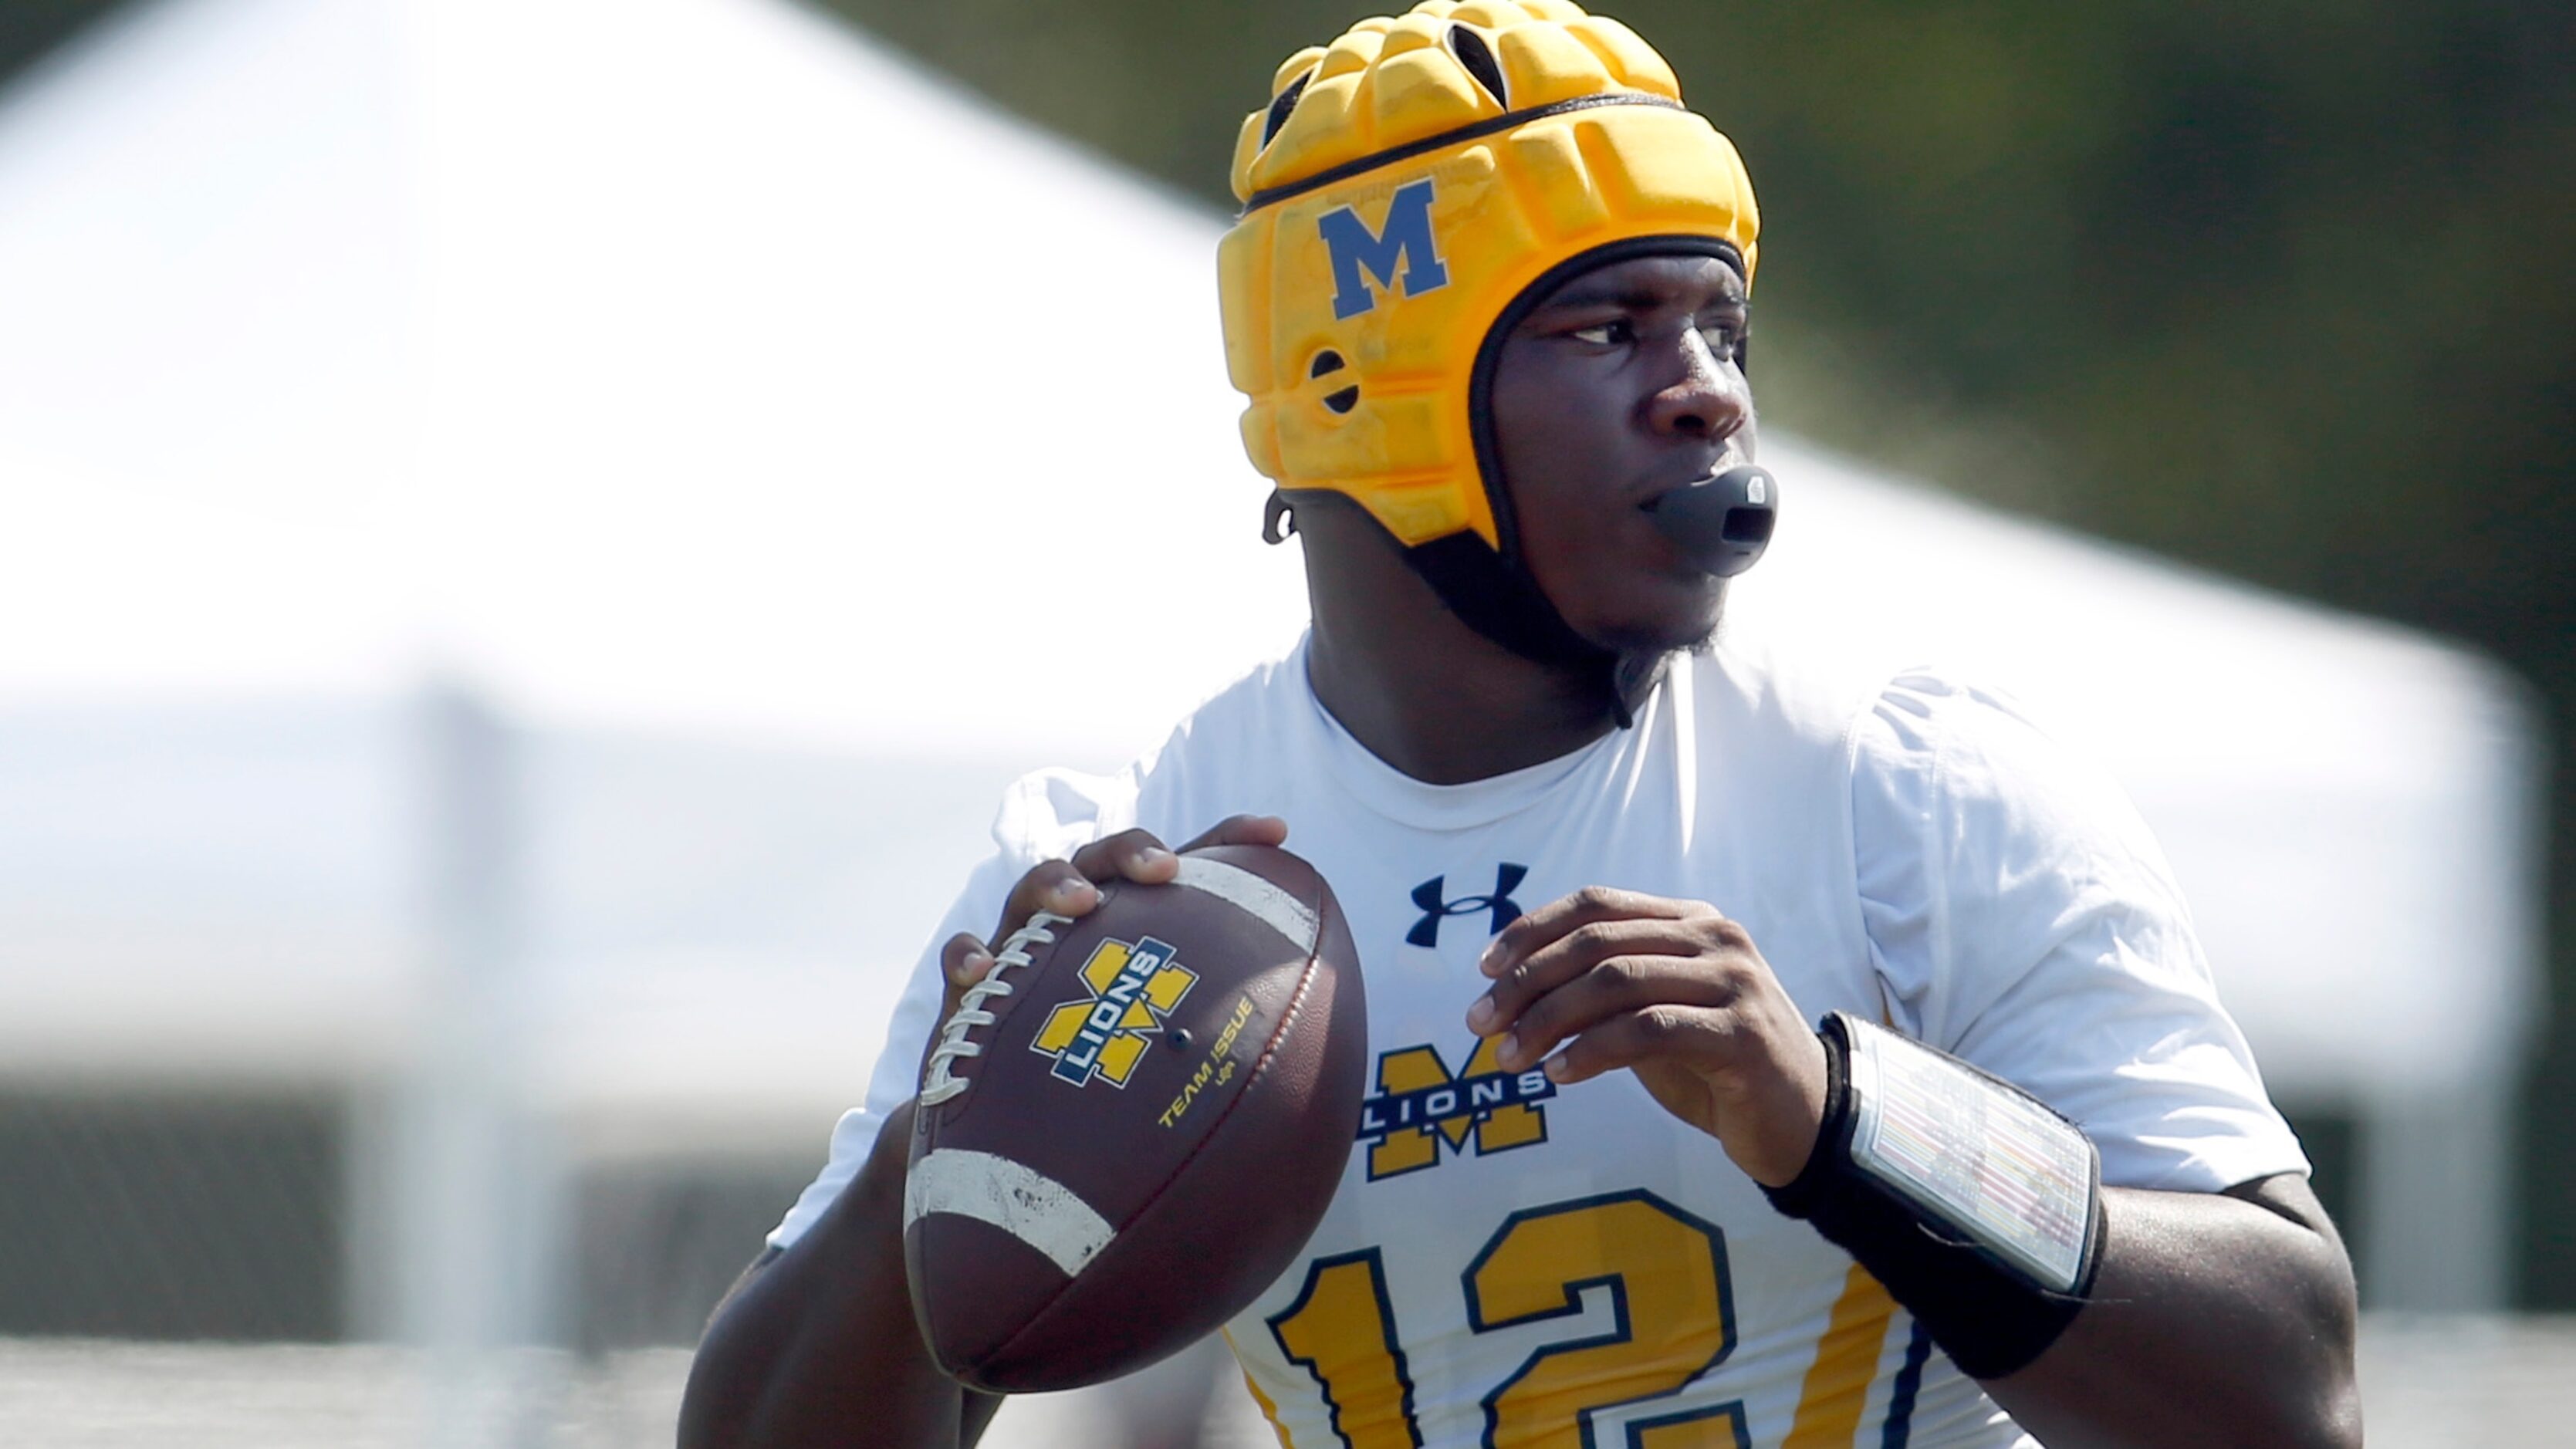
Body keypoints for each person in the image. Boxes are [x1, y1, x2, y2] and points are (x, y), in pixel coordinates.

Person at [678, 3, 2361, 1445]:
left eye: (1718, 323)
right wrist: (954, 1138)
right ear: (1367, 389)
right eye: (1603, 324)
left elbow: (2290, 1390)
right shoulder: (1120, 880)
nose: (1704, 383)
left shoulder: (1909, 793)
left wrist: (1842, 1119)